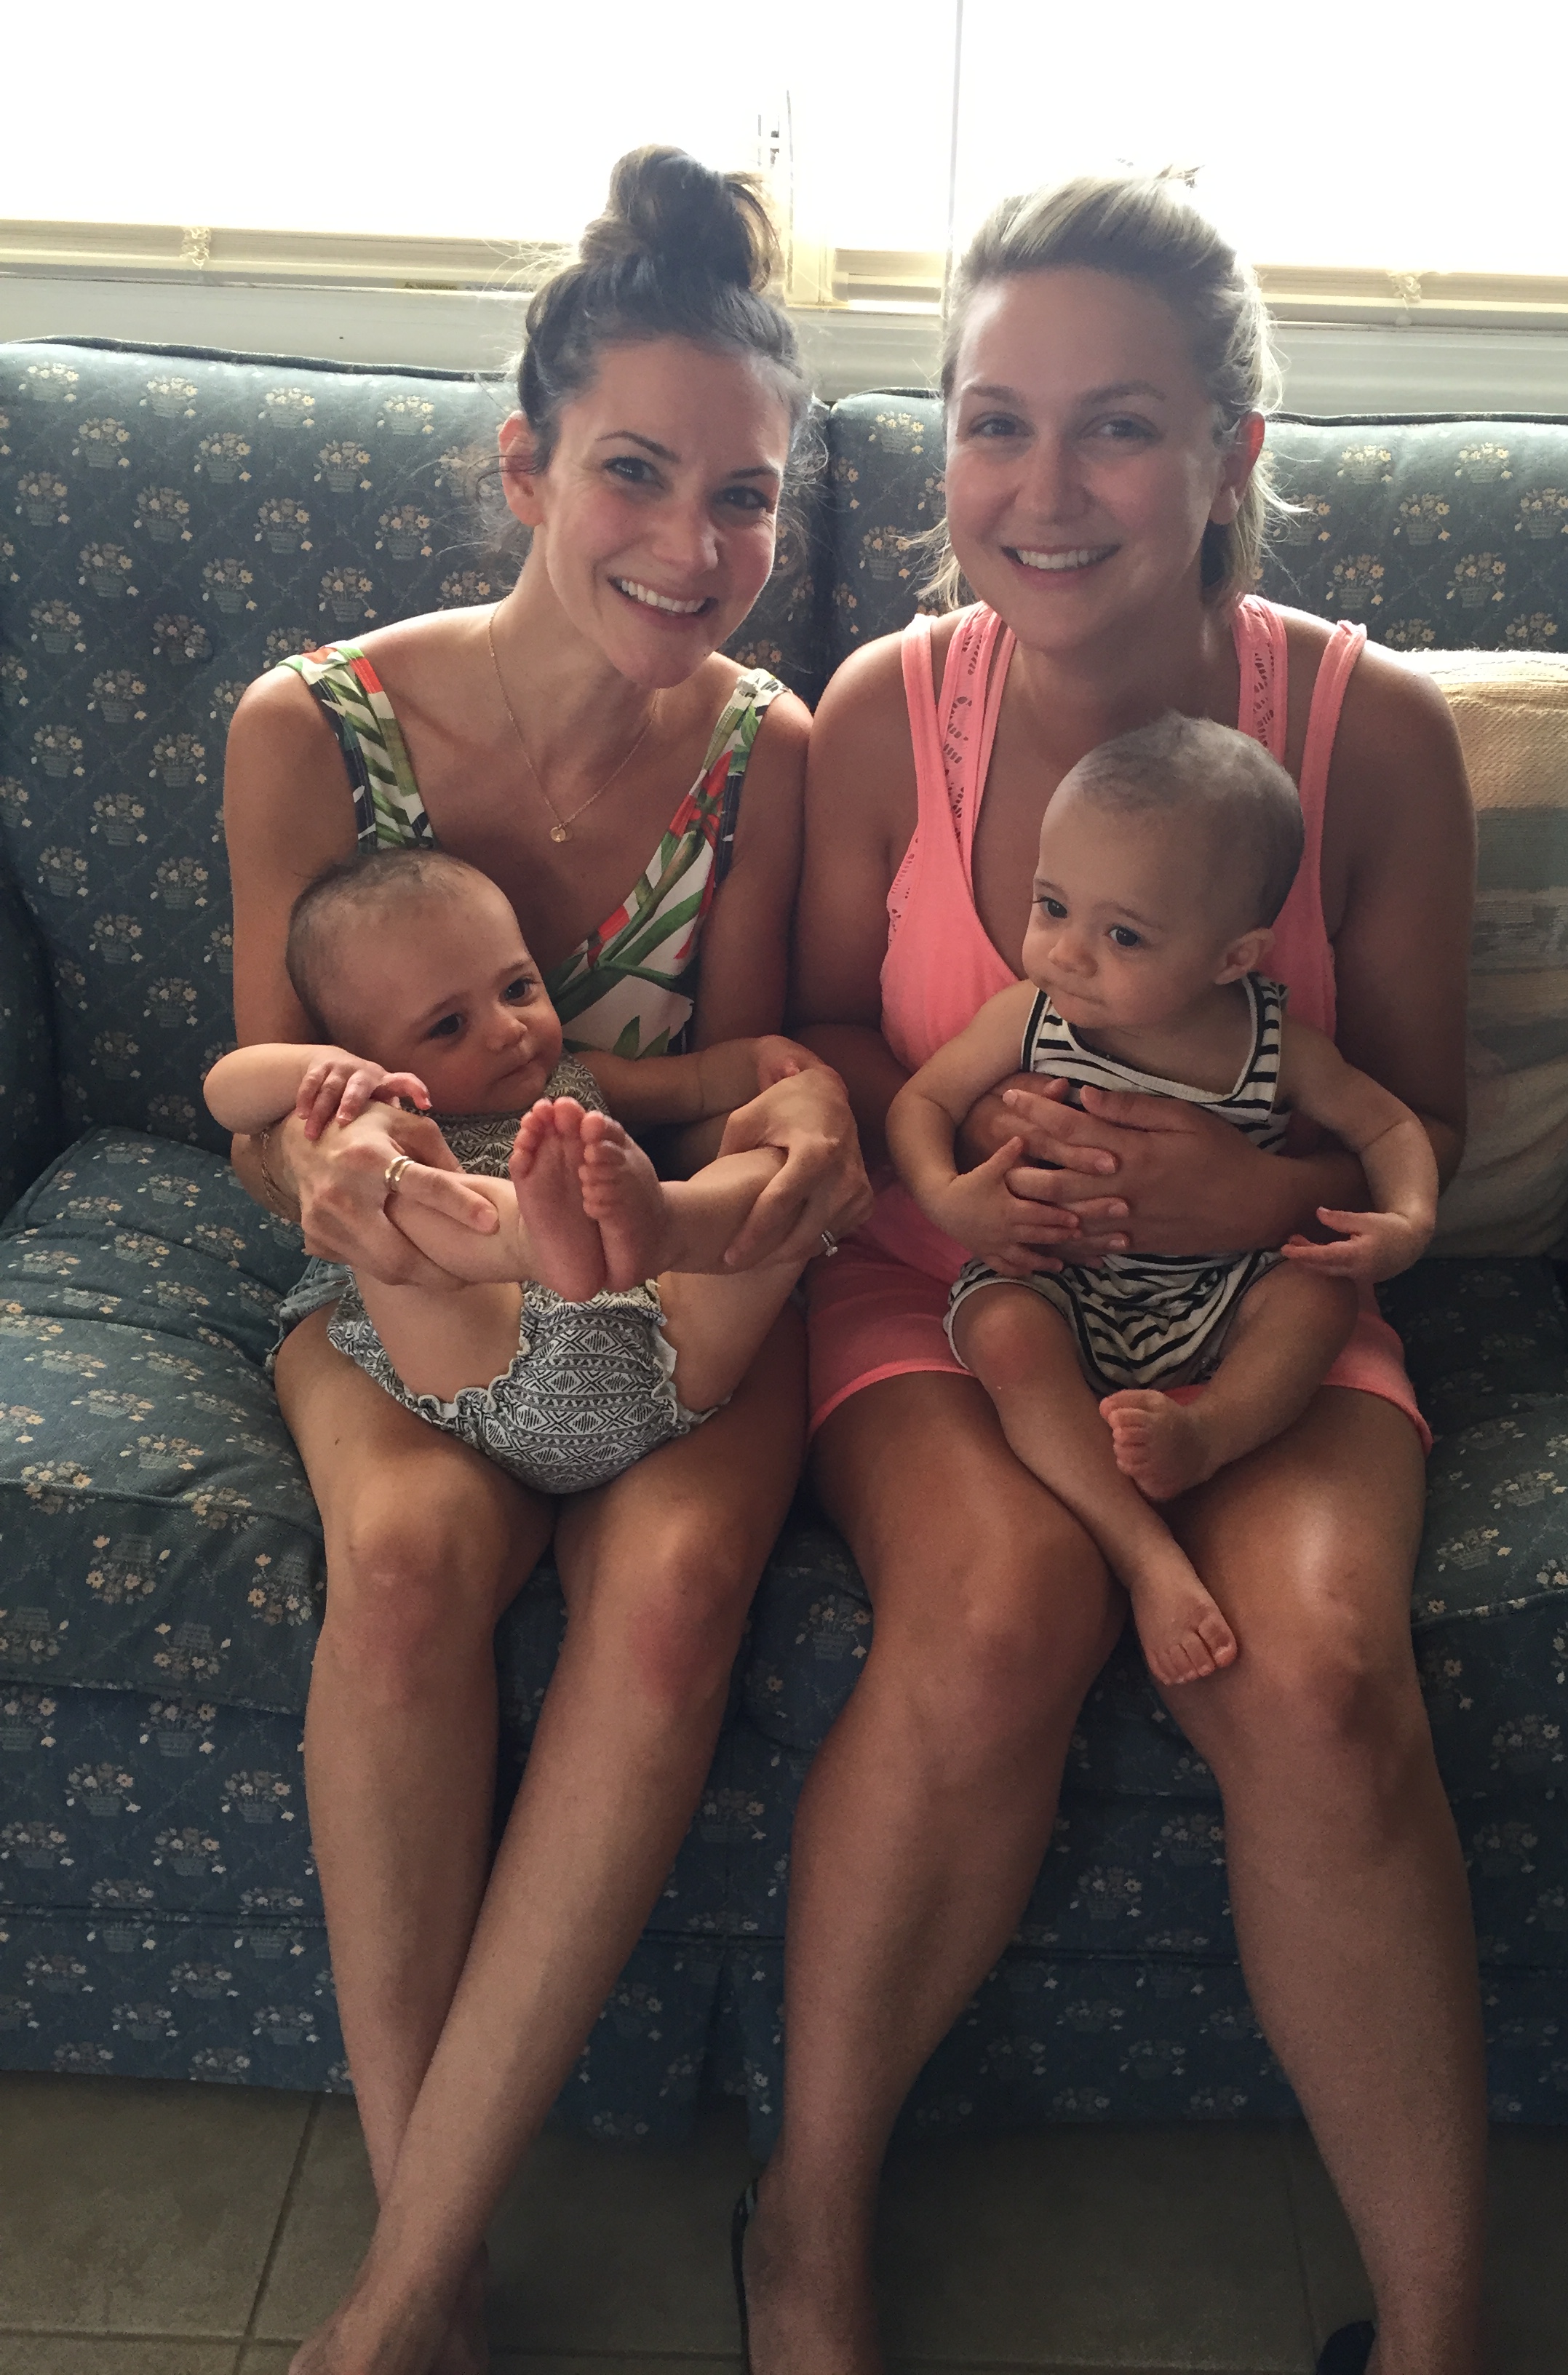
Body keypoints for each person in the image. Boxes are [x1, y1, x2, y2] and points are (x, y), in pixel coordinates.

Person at [764, 170, 1484, 2375]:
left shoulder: (1368, 733)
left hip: (1264, 1301)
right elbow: (820, 1038)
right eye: (995, 423)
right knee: (1001, 1611)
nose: (1042, 488)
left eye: (1117, 427)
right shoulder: (883, 711)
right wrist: (964, 1177)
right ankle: (804, 2228)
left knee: (1319, 1667)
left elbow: (1418, 1129)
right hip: (947, 1280)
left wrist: (1244, 1206)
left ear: (1227, 454)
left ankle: (1437, 2327)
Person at [223, 147, 867, 2374]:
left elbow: (738, 1078)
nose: (695, 545)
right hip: (418, 1277)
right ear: (524, 466)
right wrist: (333, 1184)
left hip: (645, 1278)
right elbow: (265, 1101)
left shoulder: (771, 749)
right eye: (635, 473)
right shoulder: (315, 728)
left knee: (673, 1590)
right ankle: (436, 2273)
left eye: (747, 496)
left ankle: (396, 2296)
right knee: (407, 1567)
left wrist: (792, 1125)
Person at [886, 714, 1439, 1691]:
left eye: (1124, 934)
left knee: (1316, 1299)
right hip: (1063, 1280)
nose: (1066, 953)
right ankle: (1144, 1555)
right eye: (1052, 905)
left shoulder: (1275, 1045)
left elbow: (1390, 1125)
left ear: (1234, 958)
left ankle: (1208, 1433)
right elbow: (919, 1103)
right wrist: (951, 1199)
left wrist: (1405, 1222)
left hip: (1223, 1288)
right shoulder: (1030, 1017)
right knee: (1002, 1333)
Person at [205, 848, 815, 1489]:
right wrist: (320, 1068)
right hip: (475, 1374)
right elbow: (225, 1093)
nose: (507, 1030)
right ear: (364, 1052)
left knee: (778, 1161)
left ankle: (663, 1219)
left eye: (518, 989)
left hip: (662, 1358)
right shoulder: (390, 1113)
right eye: (449, 1025)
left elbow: (697, 1083)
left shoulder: (579, 1079)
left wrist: (766, 1065)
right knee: (399, 1201)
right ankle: (528, 1238)